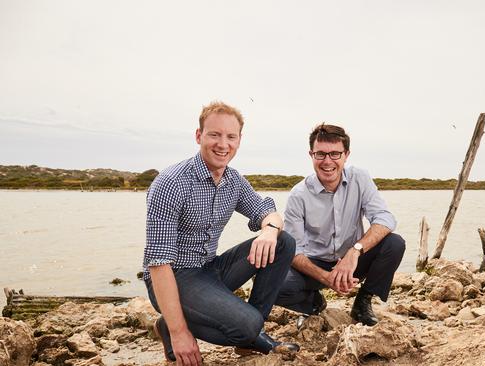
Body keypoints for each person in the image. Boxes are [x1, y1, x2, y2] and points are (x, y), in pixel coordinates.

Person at [142, 101, 299, 365]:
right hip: (175, 276)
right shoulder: (170, 183)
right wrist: (181, 333)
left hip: (211, 269)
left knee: (283, 242)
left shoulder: (233, 180)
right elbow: (158, 263)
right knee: (246, 325)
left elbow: (267, 211)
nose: (222, 144)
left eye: (230, 136)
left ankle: (251, 337)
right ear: (198, 136)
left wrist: (269, 231)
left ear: (239, 140)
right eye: (214, 134)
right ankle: (173, 326)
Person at [275, 123, 406, 326]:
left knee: (395, 244)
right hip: (314, 264)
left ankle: (363, 303)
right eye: (321, 154)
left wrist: (355, 251)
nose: (328, 161)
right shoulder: (298, 195)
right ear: (311, 155)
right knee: (275, 283)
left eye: (335, 154)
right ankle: (313, 304)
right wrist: (326, 278)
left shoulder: (360, 178)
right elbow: (294, 251)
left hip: (353, 260)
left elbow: (385, 219)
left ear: (346, 154)